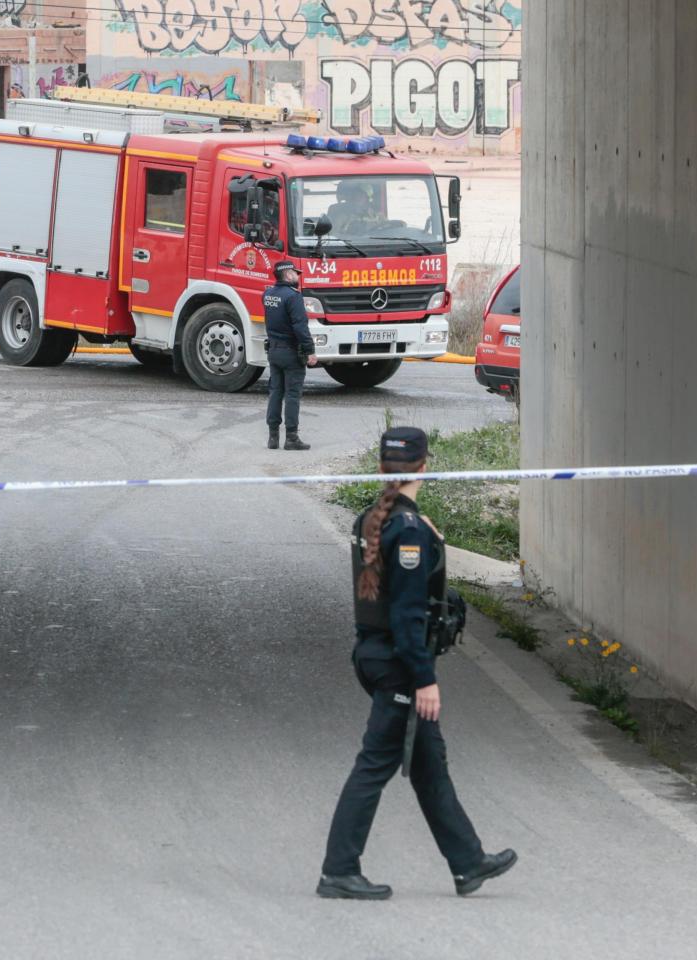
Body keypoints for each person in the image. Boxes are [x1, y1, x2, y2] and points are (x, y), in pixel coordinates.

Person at [317, 426, 516, 900]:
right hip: (397, 662)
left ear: (383, 467)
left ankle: (468, 861)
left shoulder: (375, 517)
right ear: (425, 466)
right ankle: (338, 871)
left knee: (429, 763)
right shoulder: (407, 530)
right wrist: (424, 679)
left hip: (375, 652)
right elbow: (406, 614)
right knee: (375, 763)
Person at [262, 260, 318, 451]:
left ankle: (273, 437)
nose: (298, 276)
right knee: (292, 395)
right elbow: (300, 327)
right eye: (295, 273)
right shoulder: (293, 297)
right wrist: (310, 350)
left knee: (275, 392)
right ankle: (291, 438)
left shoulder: (268, 294)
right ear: (287, 274)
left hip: (274, 351)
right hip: (290, 352)